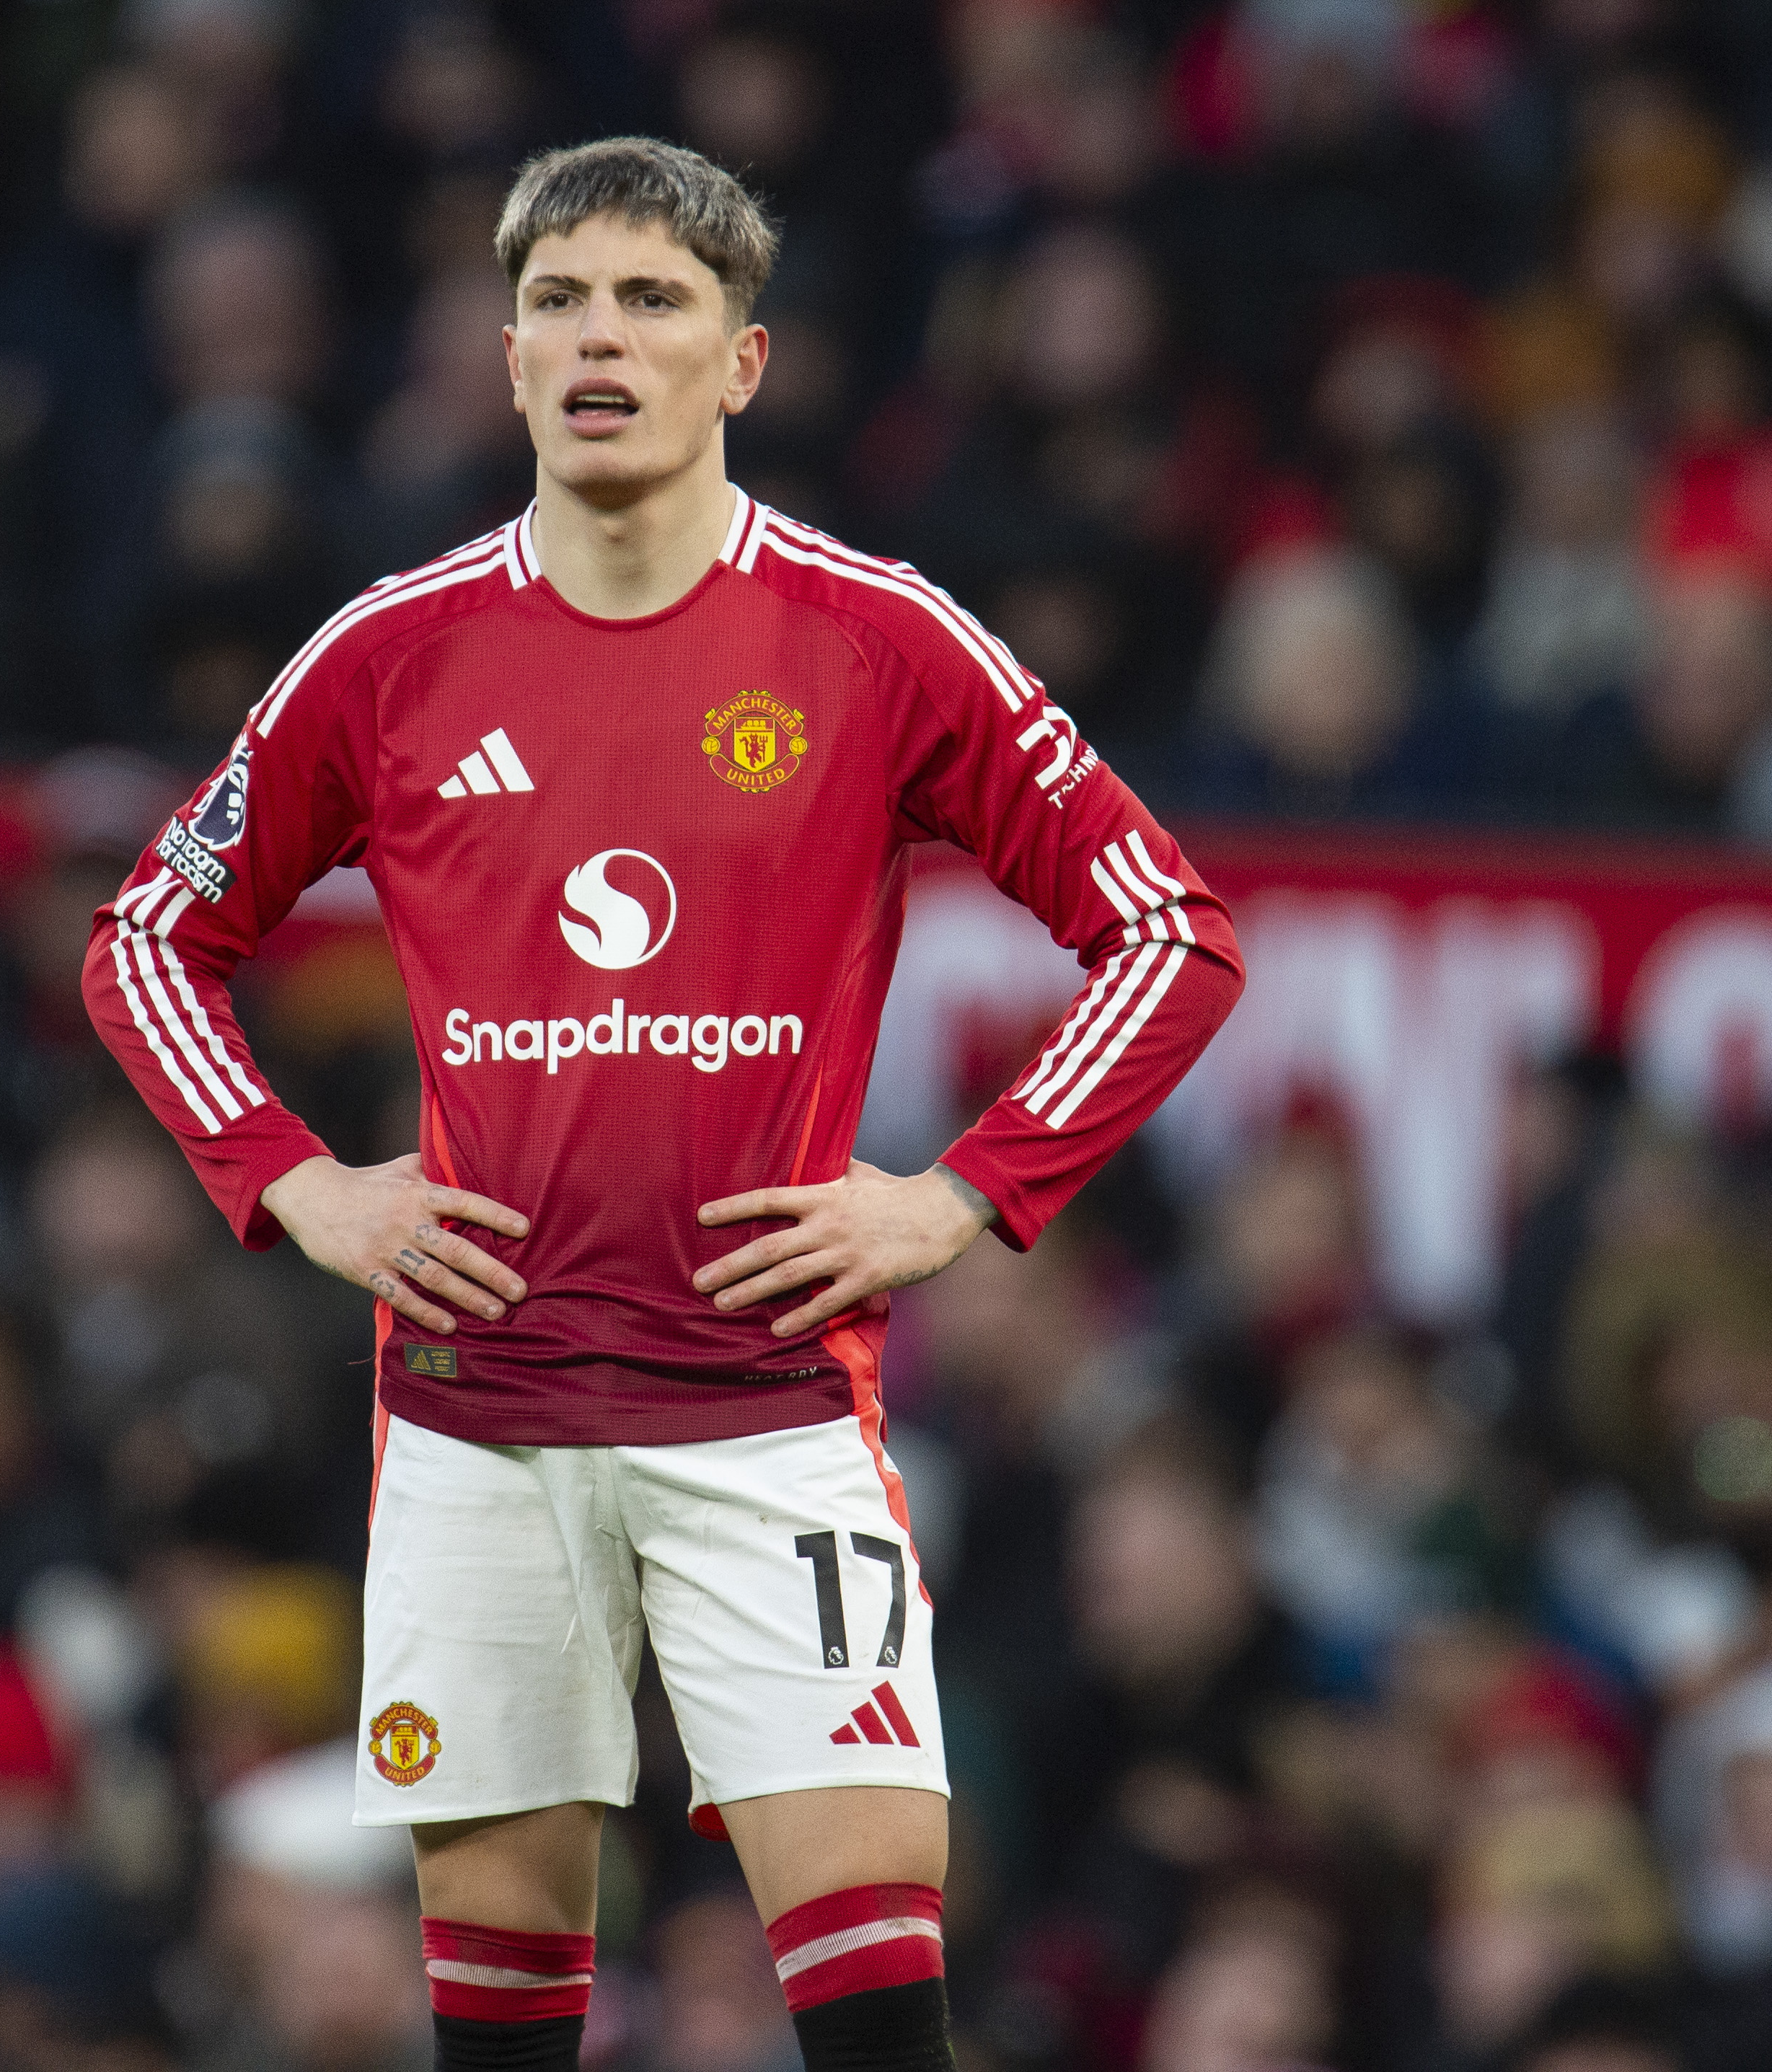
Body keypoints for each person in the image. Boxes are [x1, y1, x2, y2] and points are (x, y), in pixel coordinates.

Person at [81, 138, 1247, 2072]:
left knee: (881, 2023)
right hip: (478, 1414)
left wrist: (953, 1199)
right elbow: (144, 937)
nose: (597, 335)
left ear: (746, 362)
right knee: (504, 2036)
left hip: (773, 1410)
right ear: (509, 355)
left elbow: (1171, 932)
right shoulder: (392, 652)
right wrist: (298, 1183)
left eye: (653, 299)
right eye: (556, 299)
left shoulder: (876, 637)